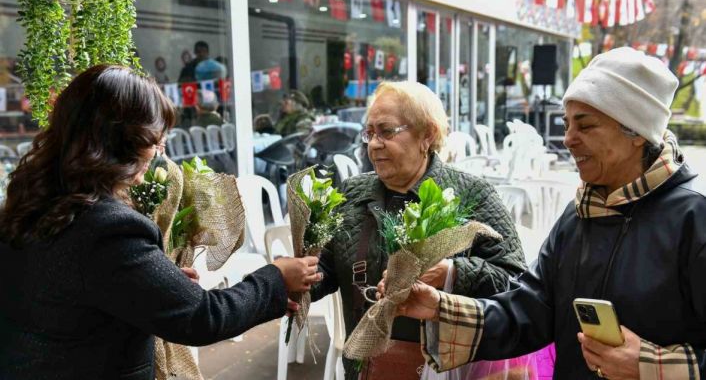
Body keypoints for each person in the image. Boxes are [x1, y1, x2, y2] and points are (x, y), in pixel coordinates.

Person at [395, 47, 706, 379]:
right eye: (567, 123)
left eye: (585, 126)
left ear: (637, 135)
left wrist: (653, 367)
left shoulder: (692, 220)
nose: (568, 139)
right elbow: (530, 309)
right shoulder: (577, 218)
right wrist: (439, 307)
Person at [0, 65, 322, 379]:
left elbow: (75, 290)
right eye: (153, 140)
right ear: (120, 142)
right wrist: (276, 278)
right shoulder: (109, 229)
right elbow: (203, 317)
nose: (157, 153)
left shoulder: (30, 205)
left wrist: (148, 283)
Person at [311, 81, 526, 379]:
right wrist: (295, 281)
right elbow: (326, 268)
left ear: (428, 135)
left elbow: (514, 279)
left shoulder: (472, 194)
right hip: (366, 367)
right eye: (369, 133)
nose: (373, 144)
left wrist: (451, 272)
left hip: (444, 367)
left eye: (386, 131)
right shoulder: (352, 193)